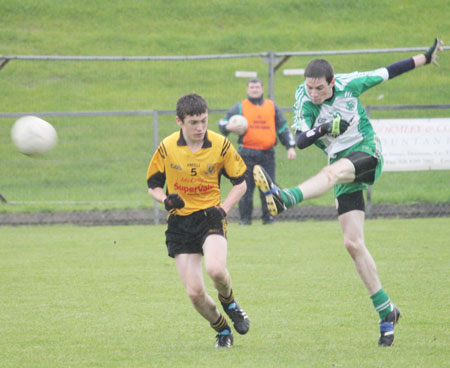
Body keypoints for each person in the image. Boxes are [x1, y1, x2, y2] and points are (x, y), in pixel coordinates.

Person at [253, 38, 443, 347]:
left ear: (332, 83)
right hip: (341, 164)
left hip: (366, 152)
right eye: (310, 87)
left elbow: (389, 71)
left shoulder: (351, 83)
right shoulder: (303, 97)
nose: (314, 94)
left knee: (331, 172)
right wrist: (327, 127)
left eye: (320, 89)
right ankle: (386, 312)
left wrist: (424, 57)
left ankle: (285, 198)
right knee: (353, 244)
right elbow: (301, 140)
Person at [146, 93, 250, 348]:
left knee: (215, 270)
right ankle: (222, 329)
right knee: (194, 293)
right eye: (193, 122)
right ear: (180, 121)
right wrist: (166, 200)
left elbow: (241, 184)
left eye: (204, 120)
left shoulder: (220, 145)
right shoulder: (167, 147)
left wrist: (223, 209)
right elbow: (153, 185)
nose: (200, 127)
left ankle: (230, 302)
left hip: (210, 216)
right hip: (180, 224)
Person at [219, 78, 296, 225]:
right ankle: (245, 219)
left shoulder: (271, 106)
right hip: (246, 154)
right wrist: (229, 127)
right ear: (247, 90)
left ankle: (268, 218)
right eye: (252, 87)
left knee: (268, 187)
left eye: (257, 87)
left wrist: (290, 147)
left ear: (262, 89)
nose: (254, 89)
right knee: (245, 188)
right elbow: (222, 123)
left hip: (267, 154)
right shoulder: (240, 107)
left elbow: (282, 128)